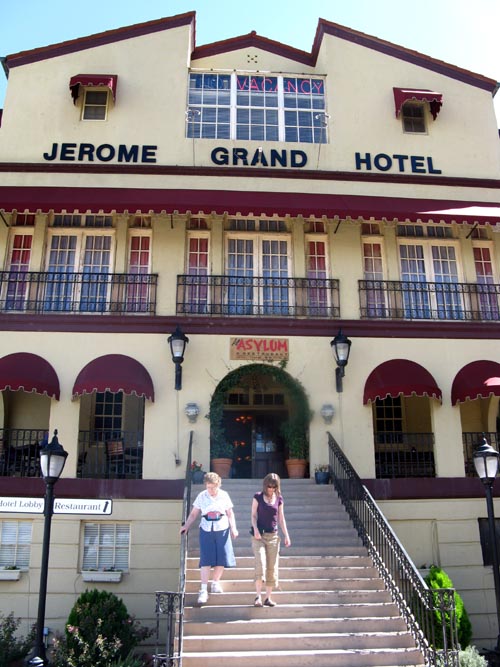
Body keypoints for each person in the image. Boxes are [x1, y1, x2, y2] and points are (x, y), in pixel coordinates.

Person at [180, 471, 238, 605]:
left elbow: (230, 514)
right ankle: (203, 589)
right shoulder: (202, 496)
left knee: (222, 556)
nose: (210, 490)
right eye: (208, 487)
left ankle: (215, 582)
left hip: (222, 527)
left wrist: (233, 528)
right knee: (206, 558)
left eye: (213, 487)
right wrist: (186, 526)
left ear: (218, 485)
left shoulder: (224, 495)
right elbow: (194, 514)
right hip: (206, 528)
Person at [251, 472, 291, 607]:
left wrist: (286, 535)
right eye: (269, 486)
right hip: (259, 536)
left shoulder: (279, 498)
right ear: (265, 485)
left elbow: (281, 518)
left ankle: (268, 598)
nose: (271, 489)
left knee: (272, 567)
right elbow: (253, 515)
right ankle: (258, 596)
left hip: (273, 536)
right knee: (260, 563)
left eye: (274, 487)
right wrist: (255, 529)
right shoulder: (258, 496)